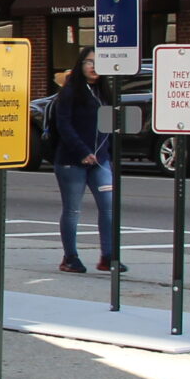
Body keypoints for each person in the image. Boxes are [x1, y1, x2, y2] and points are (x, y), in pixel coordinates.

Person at [50, 47, 123, 275]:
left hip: (100, 161)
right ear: (80, 65)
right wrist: (82, 151)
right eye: (89, 62)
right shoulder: (70, 92)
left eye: (98, 62)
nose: (93, 67)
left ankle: (108, 257)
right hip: (72, 161)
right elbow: (64, 125)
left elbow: (109, 127)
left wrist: (107, 154)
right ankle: (70, 258)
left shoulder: (103, 92)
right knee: (72, 210)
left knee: (109, 207)